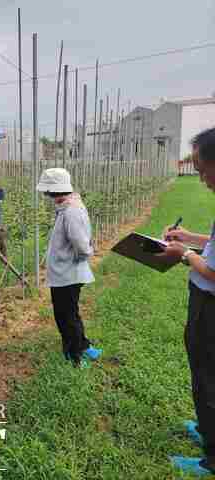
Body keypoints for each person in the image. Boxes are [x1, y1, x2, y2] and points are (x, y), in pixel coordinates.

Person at [161, 127, 215, 477]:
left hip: (211, 308)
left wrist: (183, 254)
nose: (200, 177)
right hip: (204, 303)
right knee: (203, 372)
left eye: (202, 168)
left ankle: (212, 459)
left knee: (209, 376)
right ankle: (207, 428)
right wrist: (189, 238)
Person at [37, 167, 101, 367]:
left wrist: (84, 255)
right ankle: (84, 346)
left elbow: (80, 243)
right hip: (68, 272)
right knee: (71, 312)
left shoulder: (70, 211)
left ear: (53, 190)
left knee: (65, 316)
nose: (46, 194)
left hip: (67, 273)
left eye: (47, 191)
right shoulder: (70, 206)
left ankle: (75, 356)